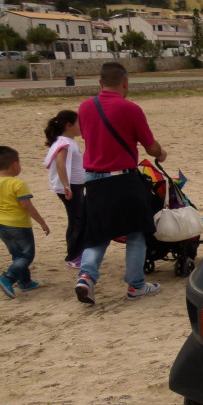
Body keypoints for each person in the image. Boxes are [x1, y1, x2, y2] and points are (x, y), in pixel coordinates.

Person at [74, 62, 168, 304]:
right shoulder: (131, 109)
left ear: (100, 83)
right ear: (125, 83)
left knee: (97, 233)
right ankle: (136, 286)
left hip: (93, 179)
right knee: (136, 232)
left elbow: (90, 137)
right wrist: (160, 153)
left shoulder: (85, 107)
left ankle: (86, 276)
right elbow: (149, 145)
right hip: (123, 178)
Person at [0, 146, 50, 298]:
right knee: (26, 255)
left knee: (17, 254)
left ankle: (25, 281)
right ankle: (8, 277)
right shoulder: (18, 184)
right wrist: (41, 222)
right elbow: (26, 206)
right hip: (18, 225)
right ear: (14, 164)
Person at [43, 110, 86, 268]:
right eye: (78, 123)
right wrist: (66, 185)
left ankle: (76, 251)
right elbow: (60, 163)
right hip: (71, 187)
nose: (81, 127)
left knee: (77, 219)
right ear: (69, 125)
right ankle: (74, 256)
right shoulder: (64, 143)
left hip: (75, 186)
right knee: (77, 220)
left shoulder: (68, 141)